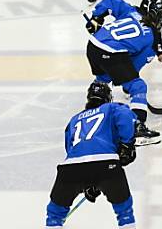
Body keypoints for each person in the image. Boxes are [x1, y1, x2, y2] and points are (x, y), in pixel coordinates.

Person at [43, 82, 138, 229]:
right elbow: (125, 116)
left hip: (71, 168)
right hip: (106, 164)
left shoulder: (74, 119)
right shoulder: (111, 108)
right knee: (124, 211)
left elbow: (70, 148)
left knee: (55, 213)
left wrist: (88, 181)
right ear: (108, 97)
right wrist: (128, 143)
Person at [84, 0, 162, 144]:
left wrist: (96, 18)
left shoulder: (133, 12)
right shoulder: (152, 38)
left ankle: (89, 119)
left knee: (102, 81)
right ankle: (137, 128)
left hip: (93, 45)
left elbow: (111, 1)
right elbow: (135, 65)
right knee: (138, 86)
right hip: (111, 52)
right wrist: (128, 83)